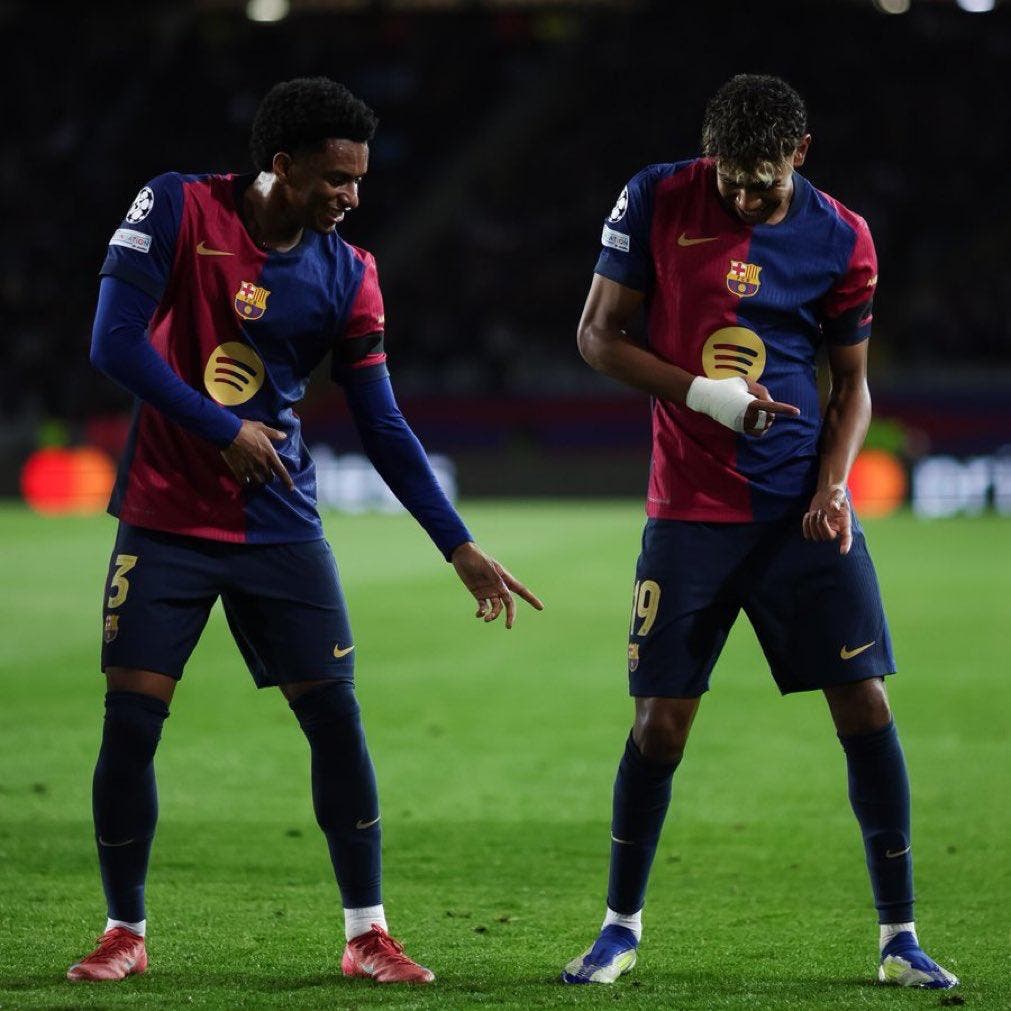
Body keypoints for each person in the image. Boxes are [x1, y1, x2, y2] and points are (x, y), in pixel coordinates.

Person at [67, 76, 542, 986]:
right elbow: (113, 343)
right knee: (132, 724)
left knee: (334, 718)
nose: (351, 197)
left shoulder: (349, 273)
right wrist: (221, 427)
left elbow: (382, 422)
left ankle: (367, 932)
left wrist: (459, 544)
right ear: (280, 167)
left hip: (279, 523)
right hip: (165, 514)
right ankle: (123, 929)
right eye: (334, 178)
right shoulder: (176, 206)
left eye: (359, 180)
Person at [560, 74, 957, 991]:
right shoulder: (656, 195)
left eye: (763, 181)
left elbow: (851, 385)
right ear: (710, 158)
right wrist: (707, 398)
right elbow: (595, 334)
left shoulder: (840, 237)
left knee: (864, 705)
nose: (744, 196)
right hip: (687, 513)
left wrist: (832, 485)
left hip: (798, 516)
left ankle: (898, 936)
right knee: (659, 726)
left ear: (800, 154)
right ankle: (619, 927)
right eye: (731, 180)